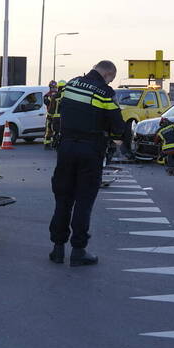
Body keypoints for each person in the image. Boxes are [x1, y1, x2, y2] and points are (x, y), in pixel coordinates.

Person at [49, 61, 128, 266]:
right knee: (83, 201)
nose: (110, 81)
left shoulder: (72, 85)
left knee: (63, 199)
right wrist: (115, 136)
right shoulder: (104, 92)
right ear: (108, 74)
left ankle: (57, 249)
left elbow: (58, 112)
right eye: (111, 78)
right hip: (90, 151)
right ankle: (78, 251)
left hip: (65, 148)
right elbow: (118, 126)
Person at [43, 80, 61, 149]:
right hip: (50, 115)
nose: (54, 89)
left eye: (55, 87)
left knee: (56, 130)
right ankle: (47, 143)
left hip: (57, 116)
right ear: (50, 88)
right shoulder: (47, 95)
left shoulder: (58, 95)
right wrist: (52, 98)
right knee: (48, 130)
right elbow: (46, 102)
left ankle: (54, 143)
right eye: (52, 87)